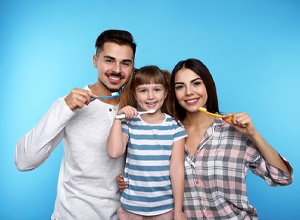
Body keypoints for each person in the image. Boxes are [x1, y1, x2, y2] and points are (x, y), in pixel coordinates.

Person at [117, 58, 293, 220]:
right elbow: (145, 166)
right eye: (180, 87)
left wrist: (254, 134)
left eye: (196, 83)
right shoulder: (168, 131)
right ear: (172, 93)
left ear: (208, 85)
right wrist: (127, 179)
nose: (189, 92)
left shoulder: (233, 131)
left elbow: (282, 177)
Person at [15, 29, 137, 220]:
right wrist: (65, 108)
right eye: (109, 60)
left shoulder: (135, 108)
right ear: (95, 61)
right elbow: (23, 161)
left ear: (132, 67)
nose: (117, 69)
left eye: (125, 63)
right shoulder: (69, 104)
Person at [107, 66, 187, 220]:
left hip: (164, 209)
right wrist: (118, 118)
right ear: (134, 95)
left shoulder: (175, 127)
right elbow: (114, 152)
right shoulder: (129, 124)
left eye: (156, 90)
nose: (151, 96)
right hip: (131, 209)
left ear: (165, 93)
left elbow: (177, 169)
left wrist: (178, 211)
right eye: (143, 90)